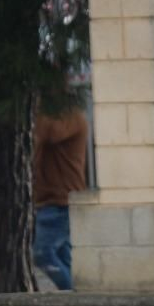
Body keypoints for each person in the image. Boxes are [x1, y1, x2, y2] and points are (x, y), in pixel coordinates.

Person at [31, 107, 89, 290]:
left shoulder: (71, 118)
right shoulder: (53, 118)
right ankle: (79, 298)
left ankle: (73, 300)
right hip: (49, 201)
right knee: (64, 258)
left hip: (61, 201)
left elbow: (50, 133)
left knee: (43, 253)